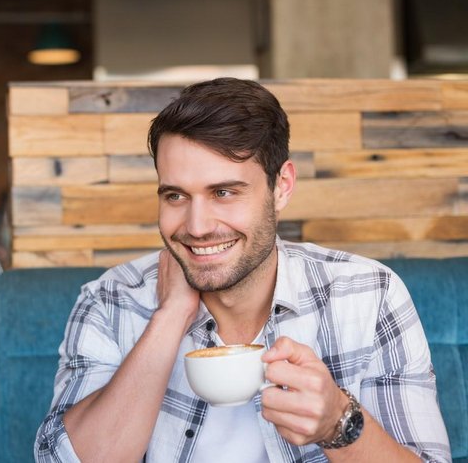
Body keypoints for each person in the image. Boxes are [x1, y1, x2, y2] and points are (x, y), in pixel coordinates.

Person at [35, 78, 451, 462]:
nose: (196, 227)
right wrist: (171, 316)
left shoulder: (369, 294)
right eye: (176, 196)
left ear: (281, 186)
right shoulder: (111, 299)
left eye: (224, 192)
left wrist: (338, 424)